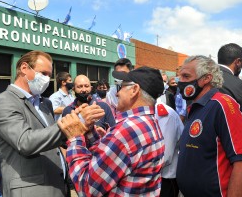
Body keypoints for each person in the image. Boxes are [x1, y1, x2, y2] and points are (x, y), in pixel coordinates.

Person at [0, 50, 103, 197]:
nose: (47, 79)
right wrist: (73, 123)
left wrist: (82, 130)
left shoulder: (45, 103)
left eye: (49, 75)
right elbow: (25, 142)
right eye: (43, 73)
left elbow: (53, 138)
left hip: (57, 184)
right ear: (24, 68)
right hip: (31, 189)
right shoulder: (4, 101)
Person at [60, 66, 165, 196]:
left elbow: (87, 187)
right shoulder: (149, 122)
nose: (117, 93)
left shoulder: (126, 130)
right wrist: (90, 130)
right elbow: (108, 160)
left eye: (121, 87)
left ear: (134, 90)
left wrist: (75, 138)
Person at [176, 55, 242, 197]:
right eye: (180, 77)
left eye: (186, 76)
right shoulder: (195, 107)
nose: (180, 82)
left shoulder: (223, 105)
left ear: (206, 78)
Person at [155, 100, 183, 197]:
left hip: (165, 177)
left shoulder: (165, 114)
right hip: (152, 177)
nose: (118, 93)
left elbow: (165, 156)